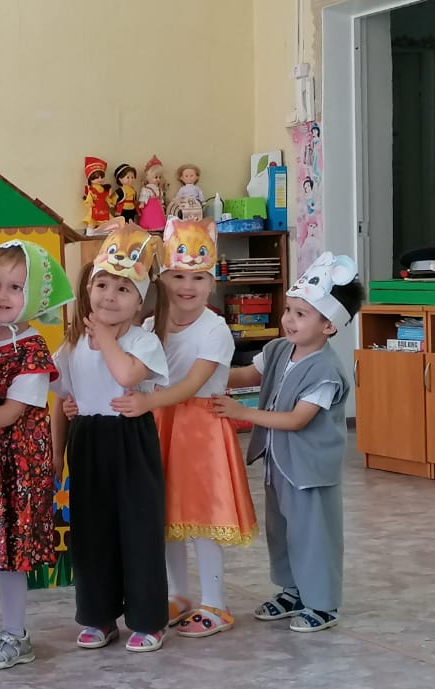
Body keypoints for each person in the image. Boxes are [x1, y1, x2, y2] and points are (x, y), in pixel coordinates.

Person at [113, 219, 256, 638]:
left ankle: (216, 602)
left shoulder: (215, 330)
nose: (187, 286)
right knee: (165, 516)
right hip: (159, 424)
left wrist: (148, 402)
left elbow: (193, 384)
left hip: (199, 431)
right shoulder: (148, 326)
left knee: (201, 518)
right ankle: (177, 594)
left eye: (198, 277)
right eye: (177, 276)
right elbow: (132, 374)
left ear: (212, 283)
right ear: (161, 278)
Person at [214, 251, 365, 632]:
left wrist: (242, 413)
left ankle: (323, 604)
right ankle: (293, 591)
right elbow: (247, 375)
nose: (288, 320)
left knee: (313, 536)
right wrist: (206, 374)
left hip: (310, 470)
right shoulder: (280, 350)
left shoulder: (327, 371)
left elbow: (297, 420)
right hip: (280, 464)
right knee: (281, 531)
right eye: (288, 310)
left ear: (328, 326)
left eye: (300, 314)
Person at [50, 222, 170, 652]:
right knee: (92, 532)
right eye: (102, 285)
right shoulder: (71, 346)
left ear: (140, 301)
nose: (109, 296)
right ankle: (99, 616)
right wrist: (56, 454)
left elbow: (125, 375)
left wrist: (104, 337)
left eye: (123, 289)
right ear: (88, 289)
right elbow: (61, 399)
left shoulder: (143, 341)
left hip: (130, 441)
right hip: (88, 440)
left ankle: (148, 619)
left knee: (138, 530)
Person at [0, 240, 74, 669]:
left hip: (14, 466)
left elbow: (11, 412)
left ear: (38, 296)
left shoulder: (31, 348)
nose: (2, 295)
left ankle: (15, 633)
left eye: (16, 287)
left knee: (9, 546)